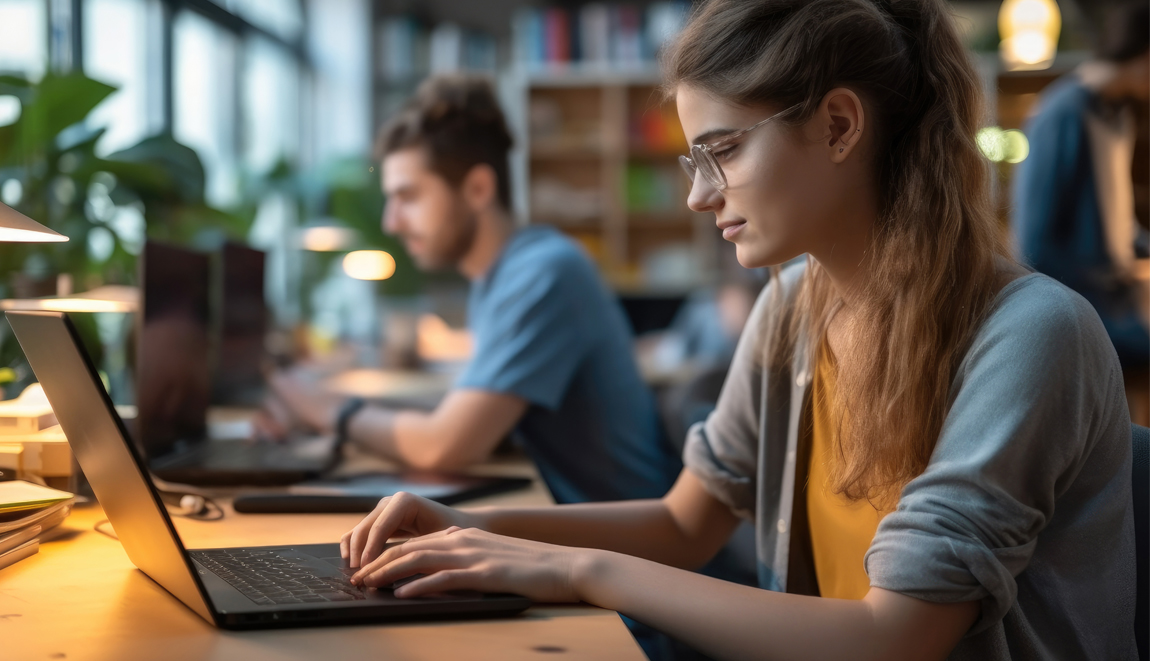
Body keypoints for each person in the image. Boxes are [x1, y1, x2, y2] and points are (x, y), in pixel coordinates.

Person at [333, 1, 1138, 658]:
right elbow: (685, 522)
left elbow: (897, 634)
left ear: (838, 126)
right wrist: (472, 528)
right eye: (694, 162)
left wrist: (572, 567)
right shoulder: (794, 305)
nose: (698, 196)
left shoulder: (1033, 334)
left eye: (721, 152)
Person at [258, 75, 681, 506]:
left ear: (478, 188)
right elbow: (460, 411)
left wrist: (328, 409)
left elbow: (446, 443)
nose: (391, 222)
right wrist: (329, 409)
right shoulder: (500, 278)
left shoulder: (544, 273)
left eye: (408, 196)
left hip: (633, 550)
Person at [1011, 0, 1150, 425]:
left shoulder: (1117, 117)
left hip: (1117, 304)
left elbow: (1114, 223)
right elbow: (1033, 246)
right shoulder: (1063, 114)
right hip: (1086, 316)